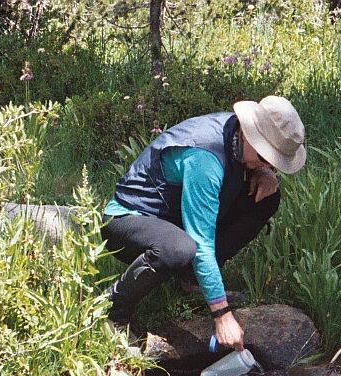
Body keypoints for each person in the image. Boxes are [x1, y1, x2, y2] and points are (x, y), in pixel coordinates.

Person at [101, 95, 306, 352]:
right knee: (179, 249)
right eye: (266, 158)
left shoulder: (236, 137)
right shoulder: (205, 158)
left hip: (173, 216)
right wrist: (222, 315)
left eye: (274, 161)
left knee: (265, 197)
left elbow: (247, 163)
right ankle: (112, 311)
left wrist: (261, 171)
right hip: (129, 219)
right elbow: (201, 241)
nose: (270, 165)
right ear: (249, 133)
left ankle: (191, 280)